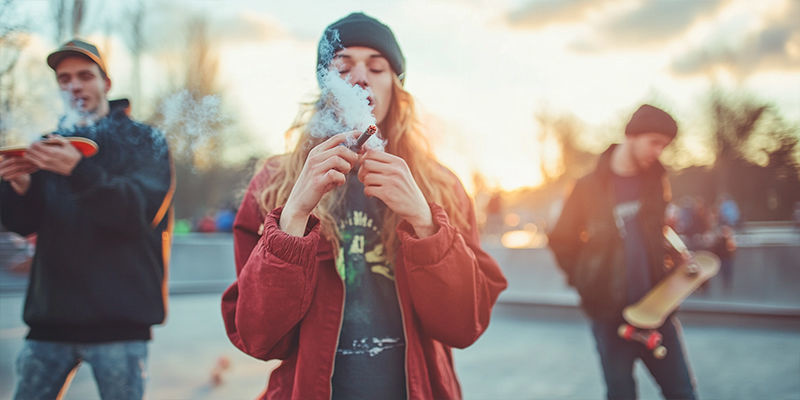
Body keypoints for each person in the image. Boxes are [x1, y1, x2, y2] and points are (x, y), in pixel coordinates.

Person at [221, 13, 507, 400]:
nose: (360, 78)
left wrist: (425, 222)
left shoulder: (442, 186)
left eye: (376, 67)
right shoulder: (275, 183)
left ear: (396, 86)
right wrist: (293, 217)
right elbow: (259, 336)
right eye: (343, 68)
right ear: (325, 88)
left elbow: (464, 325)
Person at [0, 39, 174, 400]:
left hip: (119, 323)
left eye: (84, 76)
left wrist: (78, 171)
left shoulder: (145, 140)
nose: (74, 86)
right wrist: (18, 186)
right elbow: (24, 223)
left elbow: (138, 213)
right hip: (49, 320)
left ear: (106, 83)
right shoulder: (48, 143)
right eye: (64, 79)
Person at [548, 104, 697, 399]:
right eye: (654, 142)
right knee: (621, 394)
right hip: (609, 316)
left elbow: (657, 232)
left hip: (657, 309)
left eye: (664, 146)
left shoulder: (656, 181)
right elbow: (561, 240)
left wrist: (676, 256)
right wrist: (587, 283)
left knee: (682, 393)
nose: (658, 152)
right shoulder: (587, 188)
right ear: (631, 135)